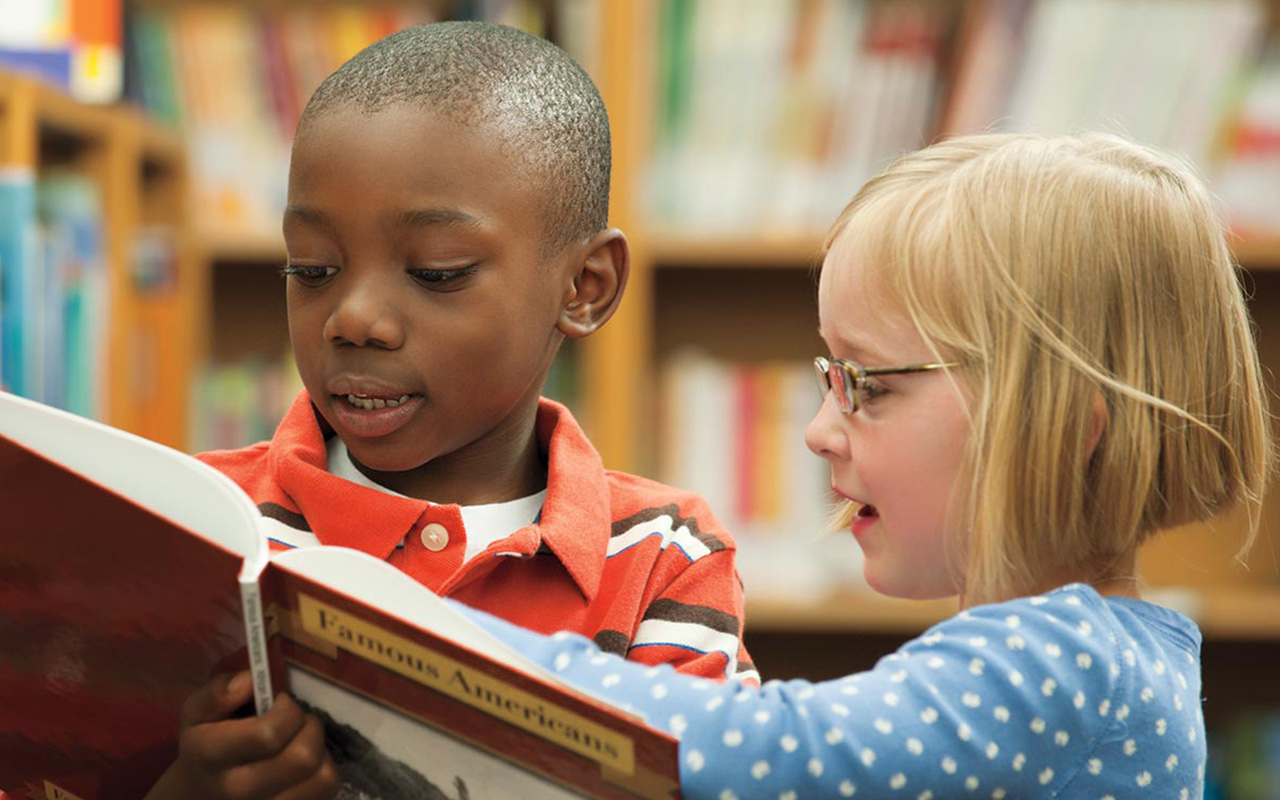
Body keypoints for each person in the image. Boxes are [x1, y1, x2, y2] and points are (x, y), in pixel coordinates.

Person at [451, 132, 1274, 799]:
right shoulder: (1109, 654)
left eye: (867, 386)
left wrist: (436, 637)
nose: (816, 432)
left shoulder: (1061, 659)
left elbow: (773, 755)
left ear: (1056, 430)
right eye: (827, 380)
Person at [145, 21, 753, 799]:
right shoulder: (198, 522)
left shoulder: (664, 560)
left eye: (437, 273)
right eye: (313, 268)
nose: (353, 318)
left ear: (585, 287)